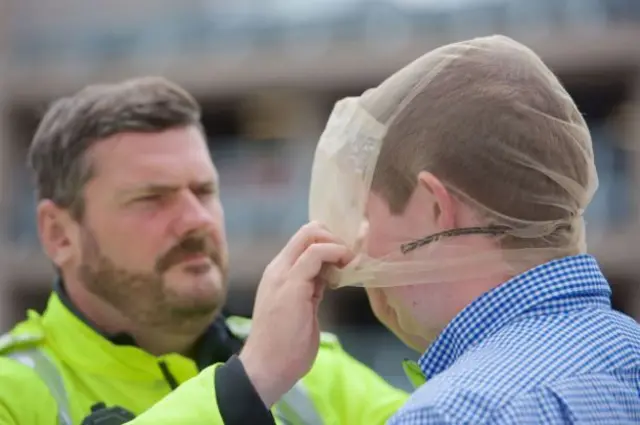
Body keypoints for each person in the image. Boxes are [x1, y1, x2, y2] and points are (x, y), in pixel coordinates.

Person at [170, 35, 638, 424]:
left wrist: (251, 376)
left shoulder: (452, 412)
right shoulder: (625, 354)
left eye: (368, 218)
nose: (355, 250)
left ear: (437, 209)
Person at [0, 76, 408, 425]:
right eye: (152, 198)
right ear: (59, 234)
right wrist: (247, 384)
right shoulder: (13, 392)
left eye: (205, 191)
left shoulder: (311, 368)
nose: (197, 220)